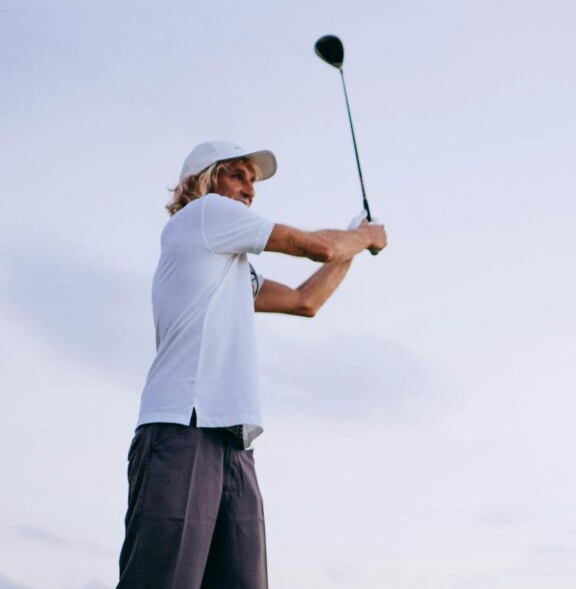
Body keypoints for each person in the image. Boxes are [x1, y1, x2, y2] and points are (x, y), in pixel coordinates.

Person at [117, 140, 386, 588]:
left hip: (235, 444)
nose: (249, 189)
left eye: (253, 181)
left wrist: (354, 239)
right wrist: (366, 237)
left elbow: (306, 300)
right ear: (202, 181)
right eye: (237, 175)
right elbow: (318, 248)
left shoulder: (230, 262)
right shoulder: (204, 214)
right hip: (183, 428)